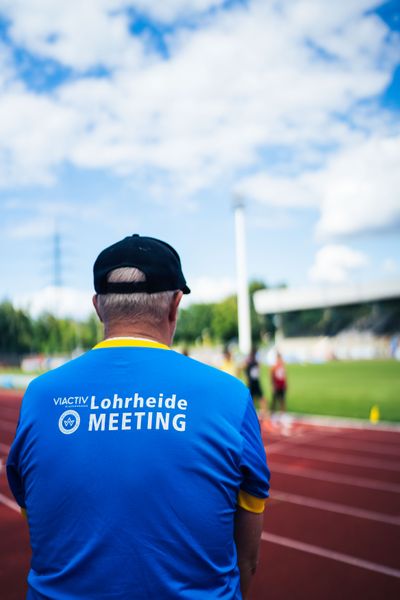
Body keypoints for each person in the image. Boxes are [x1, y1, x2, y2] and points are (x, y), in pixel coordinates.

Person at [7, 234, 270, 600]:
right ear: (175, 306)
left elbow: (39, 519)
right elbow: (248, 558)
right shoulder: (231, 396)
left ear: (99, 307)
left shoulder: (39, 397)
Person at [244, 348, 268, 419]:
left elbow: (248, 372)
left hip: (252, 382)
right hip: (254, 382)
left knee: (254, 399)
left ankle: (261, 412)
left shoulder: (250, 362)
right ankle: (263, 412)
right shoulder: (254, 362)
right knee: (259, 398)